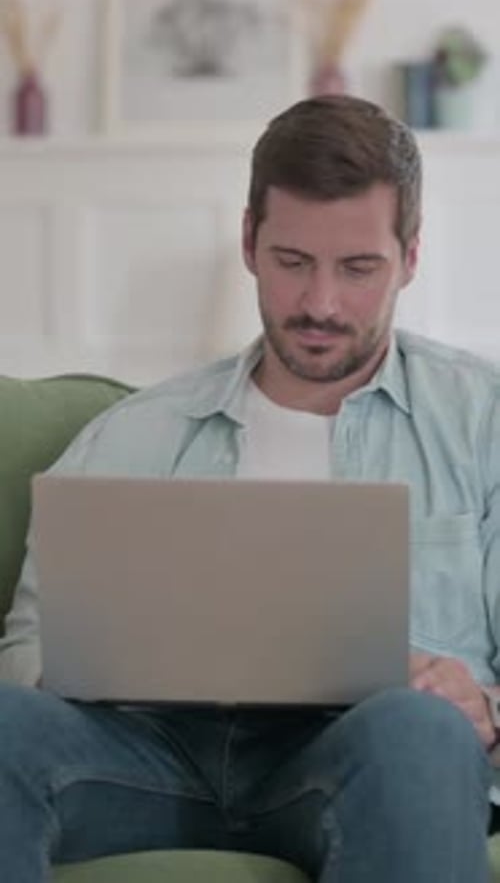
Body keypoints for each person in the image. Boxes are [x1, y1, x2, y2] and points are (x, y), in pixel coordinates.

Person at [0, 93, 499, 882]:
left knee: (419, 729)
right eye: (292, 262)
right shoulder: (136, 434)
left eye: (358, 268)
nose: (320, 304)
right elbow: (26, 646)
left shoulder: (482, 423)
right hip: (151, 758)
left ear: (410, 255)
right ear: (248, 242)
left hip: (364, 762)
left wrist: (483, 705)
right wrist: (113, 662)